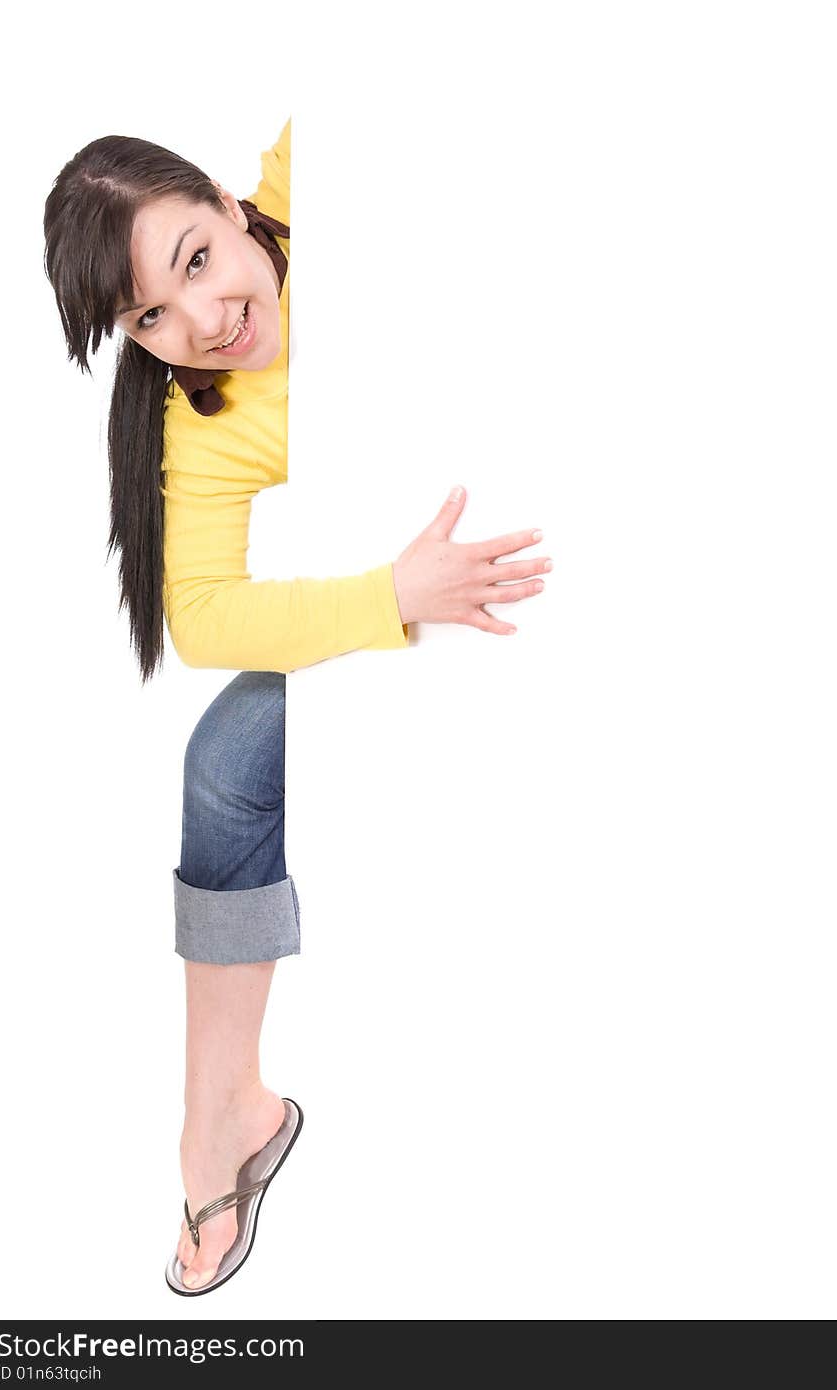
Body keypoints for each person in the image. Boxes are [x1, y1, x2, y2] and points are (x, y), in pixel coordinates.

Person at [42, 117, 551, 1294]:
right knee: (222, 761)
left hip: (537, 502)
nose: (203, 319)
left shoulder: (323, 174)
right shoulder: (195, 417)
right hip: (417, 605)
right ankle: (224, 1110)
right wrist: (390, 596)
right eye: (151, 318)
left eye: (197, 259)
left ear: (227, 200)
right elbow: (206, 619)